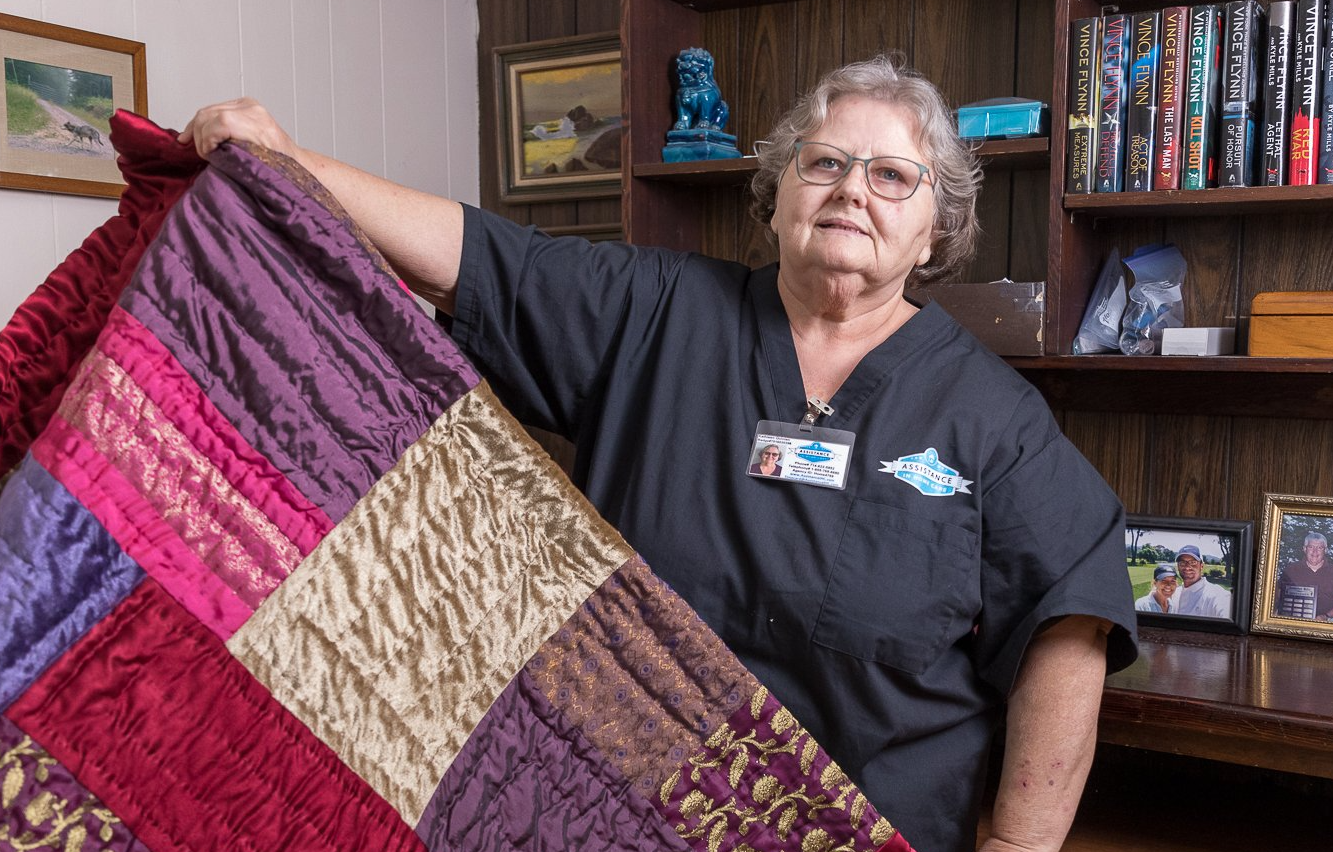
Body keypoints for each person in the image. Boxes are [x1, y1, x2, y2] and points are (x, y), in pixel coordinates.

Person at [181, 54, 1138, 852]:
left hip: (861, 828)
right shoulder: (651, 308)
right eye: (824, 163)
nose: (852, 190)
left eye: (892, 176)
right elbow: (482, 261)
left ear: (936, 229)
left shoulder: (991, 416)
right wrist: (287, 160)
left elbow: (1069, 619)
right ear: (775, 197)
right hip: (618, 815)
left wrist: (1015, 847)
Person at [1277, 531, 1333, 620]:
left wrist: (1326, 616)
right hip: (1292, 620)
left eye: (1320, 547)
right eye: (1311, 547)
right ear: (1304, 549)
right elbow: (1277, 594)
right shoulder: (1291, 569)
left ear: (1325, 550)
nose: (1315, 551)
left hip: (1326, 622)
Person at [1171, 544, 1231, 619]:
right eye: (1182, 563)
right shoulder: (1175, 593)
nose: (1187, 567)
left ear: (1201, 566)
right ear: (1178, 566)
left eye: (1193, 562)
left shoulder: (1215, 594)